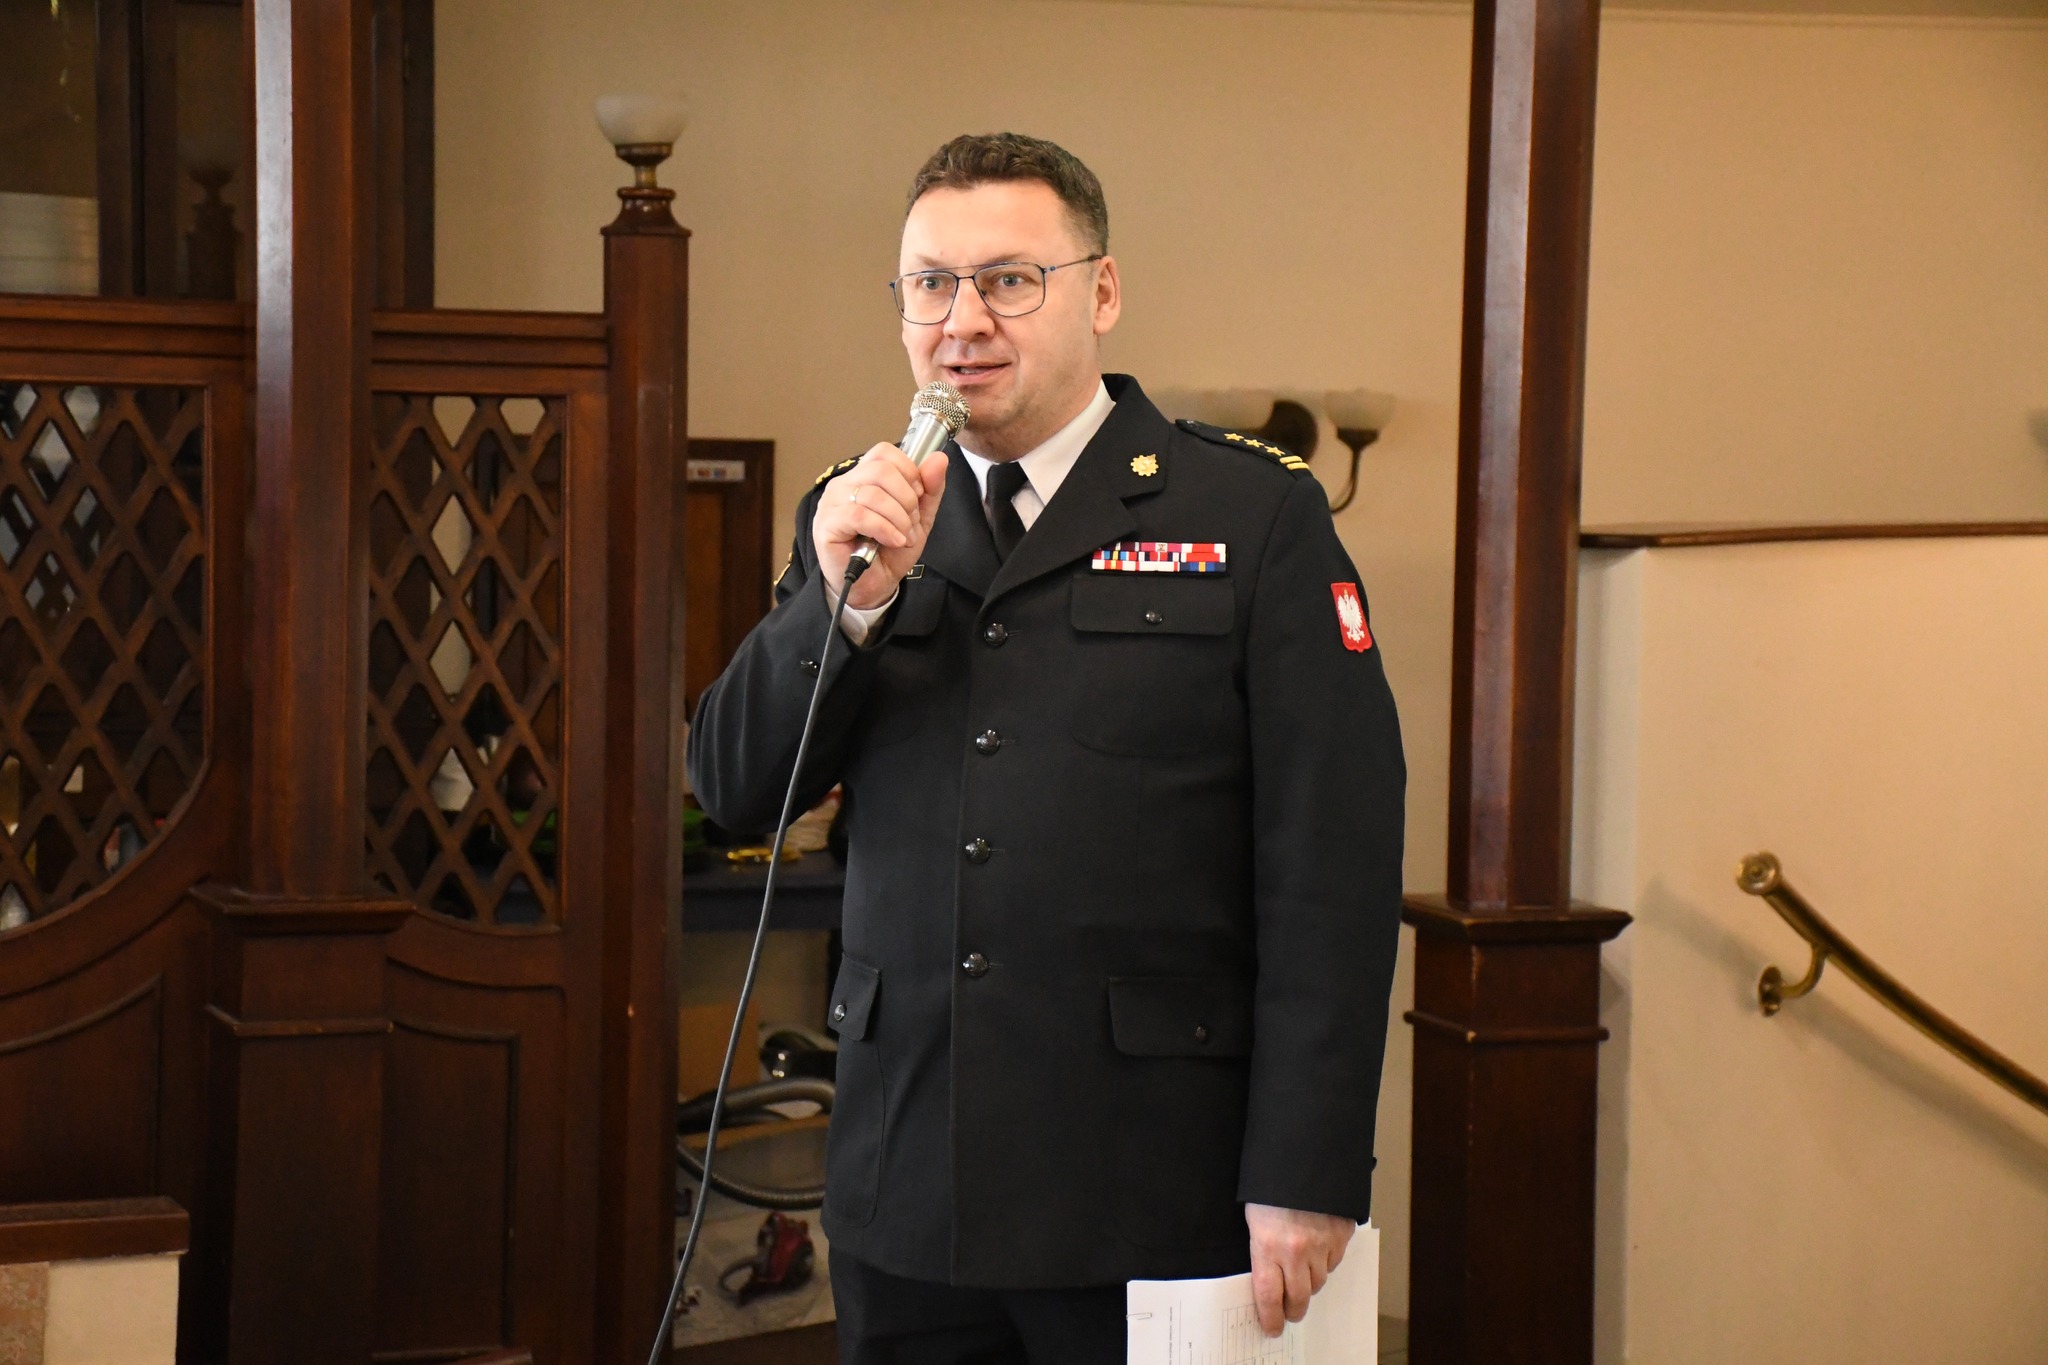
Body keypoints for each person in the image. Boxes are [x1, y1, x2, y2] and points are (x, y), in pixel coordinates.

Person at [687, 132, 1404, 1365]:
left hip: (1149, 1182)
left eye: (1008, 280)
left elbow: (1329, 865)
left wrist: (1306, 1165)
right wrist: (842, 608)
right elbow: (734, 786)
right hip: (908, 1182)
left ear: (1101, 292)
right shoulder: (858, 514)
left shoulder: (1249, 514)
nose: (961, 321)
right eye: (928, 285)